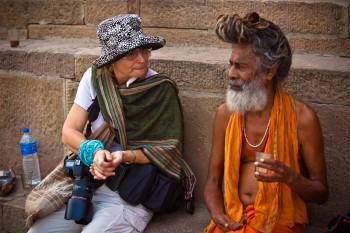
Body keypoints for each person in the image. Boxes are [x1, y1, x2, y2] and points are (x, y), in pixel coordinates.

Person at [28, 13, 196, 233]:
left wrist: (124, 156)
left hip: (133, 192)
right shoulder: (95, 78)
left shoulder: (160, 89)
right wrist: (96, 153)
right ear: (112, 59)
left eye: (145, 50)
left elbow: (168, 149)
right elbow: (69, 132)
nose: (142, 59)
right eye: (131, 54)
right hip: (92, 183)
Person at [203, 12, 328, 233]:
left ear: (269, 71)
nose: (231, 74)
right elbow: (212, 183)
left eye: (240, 67)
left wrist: (289, 177)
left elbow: (321, 193)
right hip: (233, 220)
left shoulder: (303, 118)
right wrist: (218, 214)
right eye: (230, 64)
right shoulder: (225, 114)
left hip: (281, 223)